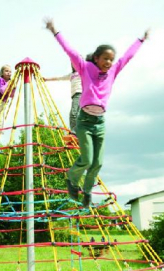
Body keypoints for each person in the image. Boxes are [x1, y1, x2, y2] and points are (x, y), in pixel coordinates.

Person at [44, 18, 149, 208]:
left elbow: (127, 57)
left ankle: (87, 192)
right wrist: (55, 31)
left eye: (111, 59)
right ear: (96, 58)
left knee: (98, 163)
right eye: (105, 58)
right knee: (87, 159)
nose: (109, 62)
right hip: (84, 121)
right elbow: (70, 51)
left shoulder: (113, 71)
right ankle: (72, 179)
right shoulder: (84, 68)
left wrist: (140, 40)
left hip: (100, 122)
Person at [44, 64, 82, 133]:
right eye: (73, 64)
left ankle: (74, 131)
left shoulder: (82, 72)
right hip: (74, 96)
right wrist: (46, 79)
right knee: (76, 114)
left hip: (80, 94)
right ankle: (77, 130)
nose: (74, 65)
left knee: (73, 113)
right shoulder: (71, 75)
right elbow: (59, 78)